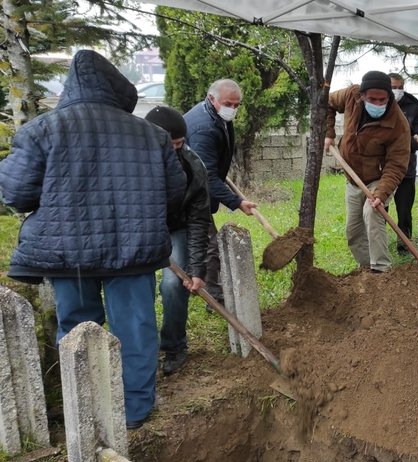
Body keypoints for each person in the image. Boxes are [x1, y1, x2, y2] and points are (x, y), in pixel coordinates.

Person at [0, 50, 187, 430]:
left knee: (77, 327)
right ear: (118, 88)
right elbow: (175, 192)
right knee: (135, 327)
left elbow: (16, 193)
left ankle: (85, 407)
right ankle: (134, 410)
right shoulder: (151, 135)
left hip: (68, 254)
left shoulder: (41, 130)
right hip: (133, 250)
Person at [145, 106, 211, 375]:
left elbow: (198, 220)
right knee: (141, 288)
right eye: (169, 145)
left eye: (179, 144)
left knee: (174, 284)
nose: (175, 150)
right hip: (142, 231)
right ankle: (143, 353)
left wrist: (196, 269)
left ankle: (174, 346)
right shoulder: (134, 162)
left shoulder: (193, 166)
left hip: (177, 229)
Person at [323, 71, 411, 273]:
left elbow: (396, 165)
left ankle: (381, 270)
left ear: (389, 97)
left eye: (383, 100)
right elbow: (326, 103)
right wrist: (328, 133)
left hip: (378, 179)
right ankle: (365, 271)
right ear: (362, 96)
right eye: (373, 99)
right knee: (353, 231)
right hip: (352, 178)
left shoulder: (398, 123)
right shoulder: (350, 95)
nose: (378, 104)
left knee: (372, 213)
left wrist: (381, 193)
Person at [183, 79, 256, 305]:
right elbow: (207, 178)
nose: (232, 109)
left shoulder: (217, 115)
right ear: (211, 98)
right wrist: (237, 202)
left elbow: (210, 169)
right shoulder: (203, 128)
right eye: (228, 104)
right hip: (188, 193)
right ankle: (212, 294)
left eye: (237, 105)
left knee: (201, 243)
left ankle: (202, 284)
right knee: (210, 244)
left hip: (196, 187)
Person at [388, 73, 418, 255]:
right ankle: (378, 246)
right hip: (381, 170)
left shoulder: (413, 109)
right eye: (393, 87)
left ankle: (404, 248)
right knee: (379, 209)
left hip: (406, 169)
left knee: (404, 211)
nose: (396, 91)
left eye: (399, 87)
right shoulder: (378, 105)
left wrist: (401, 145)